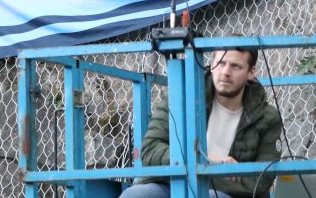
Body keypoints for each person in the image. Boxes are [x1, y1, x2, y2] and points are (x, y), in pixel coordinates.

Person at [120, 47, 281, 198]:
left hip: (225, 193)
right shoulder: (180, 95)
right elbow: (150, 151)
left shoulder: (267, 117)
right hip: (171, 184)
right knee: (134, 195)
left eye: (235, 66)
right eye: (221, 63)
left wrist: (204, 177)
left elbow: (262, 180)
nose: (225, 72)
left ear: (251, 72)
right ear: (212, 65)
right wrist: (208, 161)